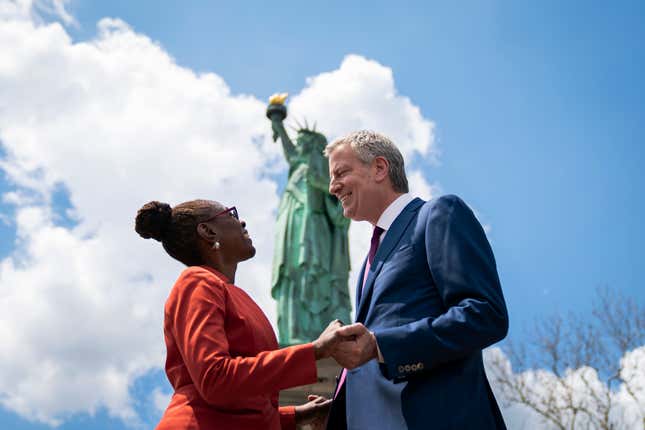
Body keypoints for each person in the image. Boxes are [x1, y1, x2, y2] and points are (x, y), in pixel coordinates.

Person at [323, 131, 509, 429]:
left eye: (341, 173)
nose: (332, 187)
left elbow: (485, 315)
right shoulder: (367, 264)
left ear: (379, 169)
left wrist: (380, 345)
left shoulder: (437, 214)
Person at [135, 199, 344, 430]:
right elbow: (215, 379)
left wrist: (300, 416)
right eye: (232, 214)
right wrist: (314, 351)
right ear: (207, 230)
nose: (242, 221)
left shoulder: (231, 292)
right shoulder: (197, 282)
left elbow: (243, 405)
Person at [269, 116, 351, 346]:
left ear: (314, 146)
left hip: (315, 231)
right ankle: (294, 331)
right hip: (291, 230)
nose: (298, 145)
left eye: (303, 141)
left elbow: (338, 208)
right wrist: (278, 126)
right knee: (291, 275)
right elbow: (291, 153)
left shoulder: (318, 171)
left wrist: (322, 186)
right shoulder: (299, 168)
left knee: (311, 275)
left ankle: (319, 329)